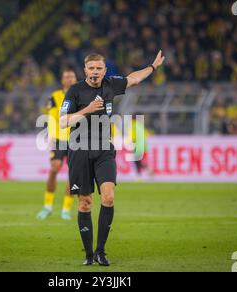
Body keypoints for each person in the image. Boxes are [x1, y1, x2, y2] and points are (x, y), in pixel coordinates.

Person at [59, 50, 165, 266]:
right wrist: (87, 109)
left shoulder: (111, 84)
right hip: (79, 151)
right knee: (85, 203)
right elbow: (62, 122)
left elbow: (133, 78)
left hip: (104, 151)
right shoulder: (75, 91)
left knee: (108, 198)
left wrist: (152, 67)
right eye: (91, 68)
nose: (95, 72)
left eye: (99, 68)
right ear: (85, 70)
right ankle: (88, 255)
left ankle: (101, 251)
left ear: (105, 70)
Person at [37, 69, 77, 220]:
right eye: (66, 77)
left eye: (72, 77)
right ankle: (47, 206)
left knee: (73, 175)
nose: (69, 79)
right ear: (62, 80)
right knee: (54, 169)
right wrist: (52, 137)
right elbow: (52, 118)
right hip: (59, 138)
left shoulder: (81, 95)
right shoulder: (55, 96)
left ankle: (65, 209)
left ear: (75, 79)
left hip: (76, 139)